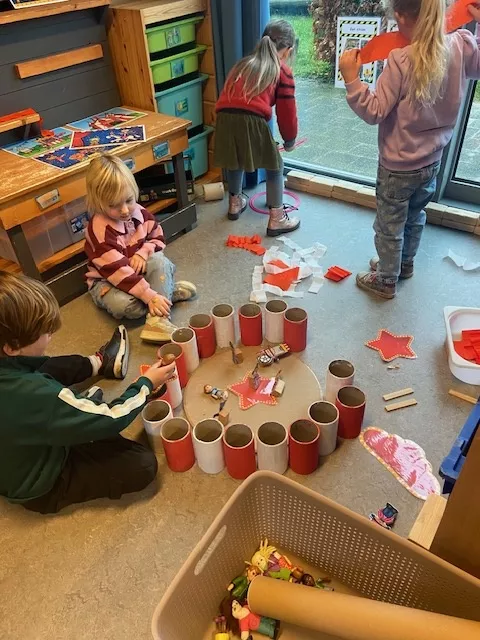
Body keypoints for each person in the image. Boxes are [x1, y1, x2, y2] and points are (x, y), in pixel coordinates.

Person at [0, 271, 176, 514]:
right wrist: (144, 385)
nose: (50, 334)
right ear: (11, 347)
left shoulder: (14, 371)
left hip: (16, 451)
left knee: (41, 365)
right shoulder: (34, 395)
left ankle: (100, 364)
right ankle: (80, 412)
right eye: (44, 332)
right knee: (142, 465)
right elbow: (112, 418)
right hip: (42, 484)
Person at [340, 0, 480, 299]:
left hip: (397, 168)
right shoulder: (461, 44)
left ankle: (385, 280)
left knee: (389, 225)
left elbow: (374, 111)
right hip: (432, 162)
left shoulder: (401, 60)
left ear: (400, 16)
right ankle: (403, 265)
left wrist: (352, 80)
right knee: (415, 215)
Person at [84, 153, 196, 342]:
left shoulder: (139, 213)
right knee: (123, 306)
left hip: (138, 272)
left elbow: (158, 238)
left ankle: (157, 319)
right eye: (114, 205)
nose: (125, 210)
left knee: (159, 260)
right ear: (99, 203)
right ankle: (164, 293)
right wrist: (148, 296)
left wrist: (144, 253)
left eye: (129, 200)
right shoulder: (99, 230)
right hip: (108, 280)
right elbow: (118, 272)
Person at [215, 19, 300, 236]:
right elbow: (287, 112)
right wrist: (289, 140)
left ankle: (235, 203)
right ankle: (277, 218)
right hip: (252, 119)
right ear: (288, 50)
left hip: (223, 118)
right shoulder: (282, 71)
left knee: (235, 159)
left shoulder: (242, 64)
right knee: (275, 166)